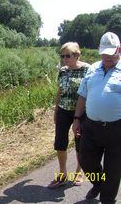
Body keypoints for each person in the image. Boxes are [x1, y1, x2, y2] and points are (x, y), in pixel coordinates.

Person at [72, 32, 121, 204]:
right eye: (104, 53)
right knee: (86, 160)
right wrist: (77, 119)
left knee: (113, 169)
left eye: (111, 53)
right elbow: (83, 95)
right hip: (91, 126)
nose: (107, 57)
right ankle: (98, 183)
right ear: (99, 50)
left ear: (119, 50)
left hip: (117, 129)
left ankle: (108, 199)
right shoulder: (92, 68)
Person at [48, 42, 90, 189]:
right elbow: (60, 91)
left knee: (79, 142)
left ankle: (79, 172)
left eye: (68, 55)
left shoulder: (87, 70)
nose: (64, 58)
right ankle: (63, 174)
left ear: (77, 55)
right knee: (60, 141)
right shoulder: (62, 71)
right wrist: (56, 110)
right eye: (62, 55)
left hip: (81, 112)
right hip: (63, 110)